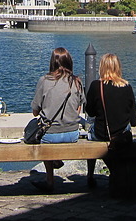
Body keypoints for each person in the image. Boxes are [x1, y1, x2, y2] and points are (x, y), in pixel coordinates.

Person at [30, 47, 85, 193]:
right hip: (72, 133)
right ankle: (56, 160)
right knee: (56, 135)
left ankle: (50, 180)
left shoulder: (44, 80)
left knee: (42, 132)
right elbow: (78, 110)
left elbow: (35, 112)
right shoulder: (77, 82)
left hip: (50, 134)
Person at [84, 53, 136, 188]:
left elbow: (90, 112)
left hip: (102, 133)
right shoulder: (127, 86)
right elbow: (134, 121)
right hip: (121, 136)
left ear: (101, 68)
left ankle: (90, 175)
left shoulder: (96, 86)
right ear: (118, 67)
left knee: (90, 133)